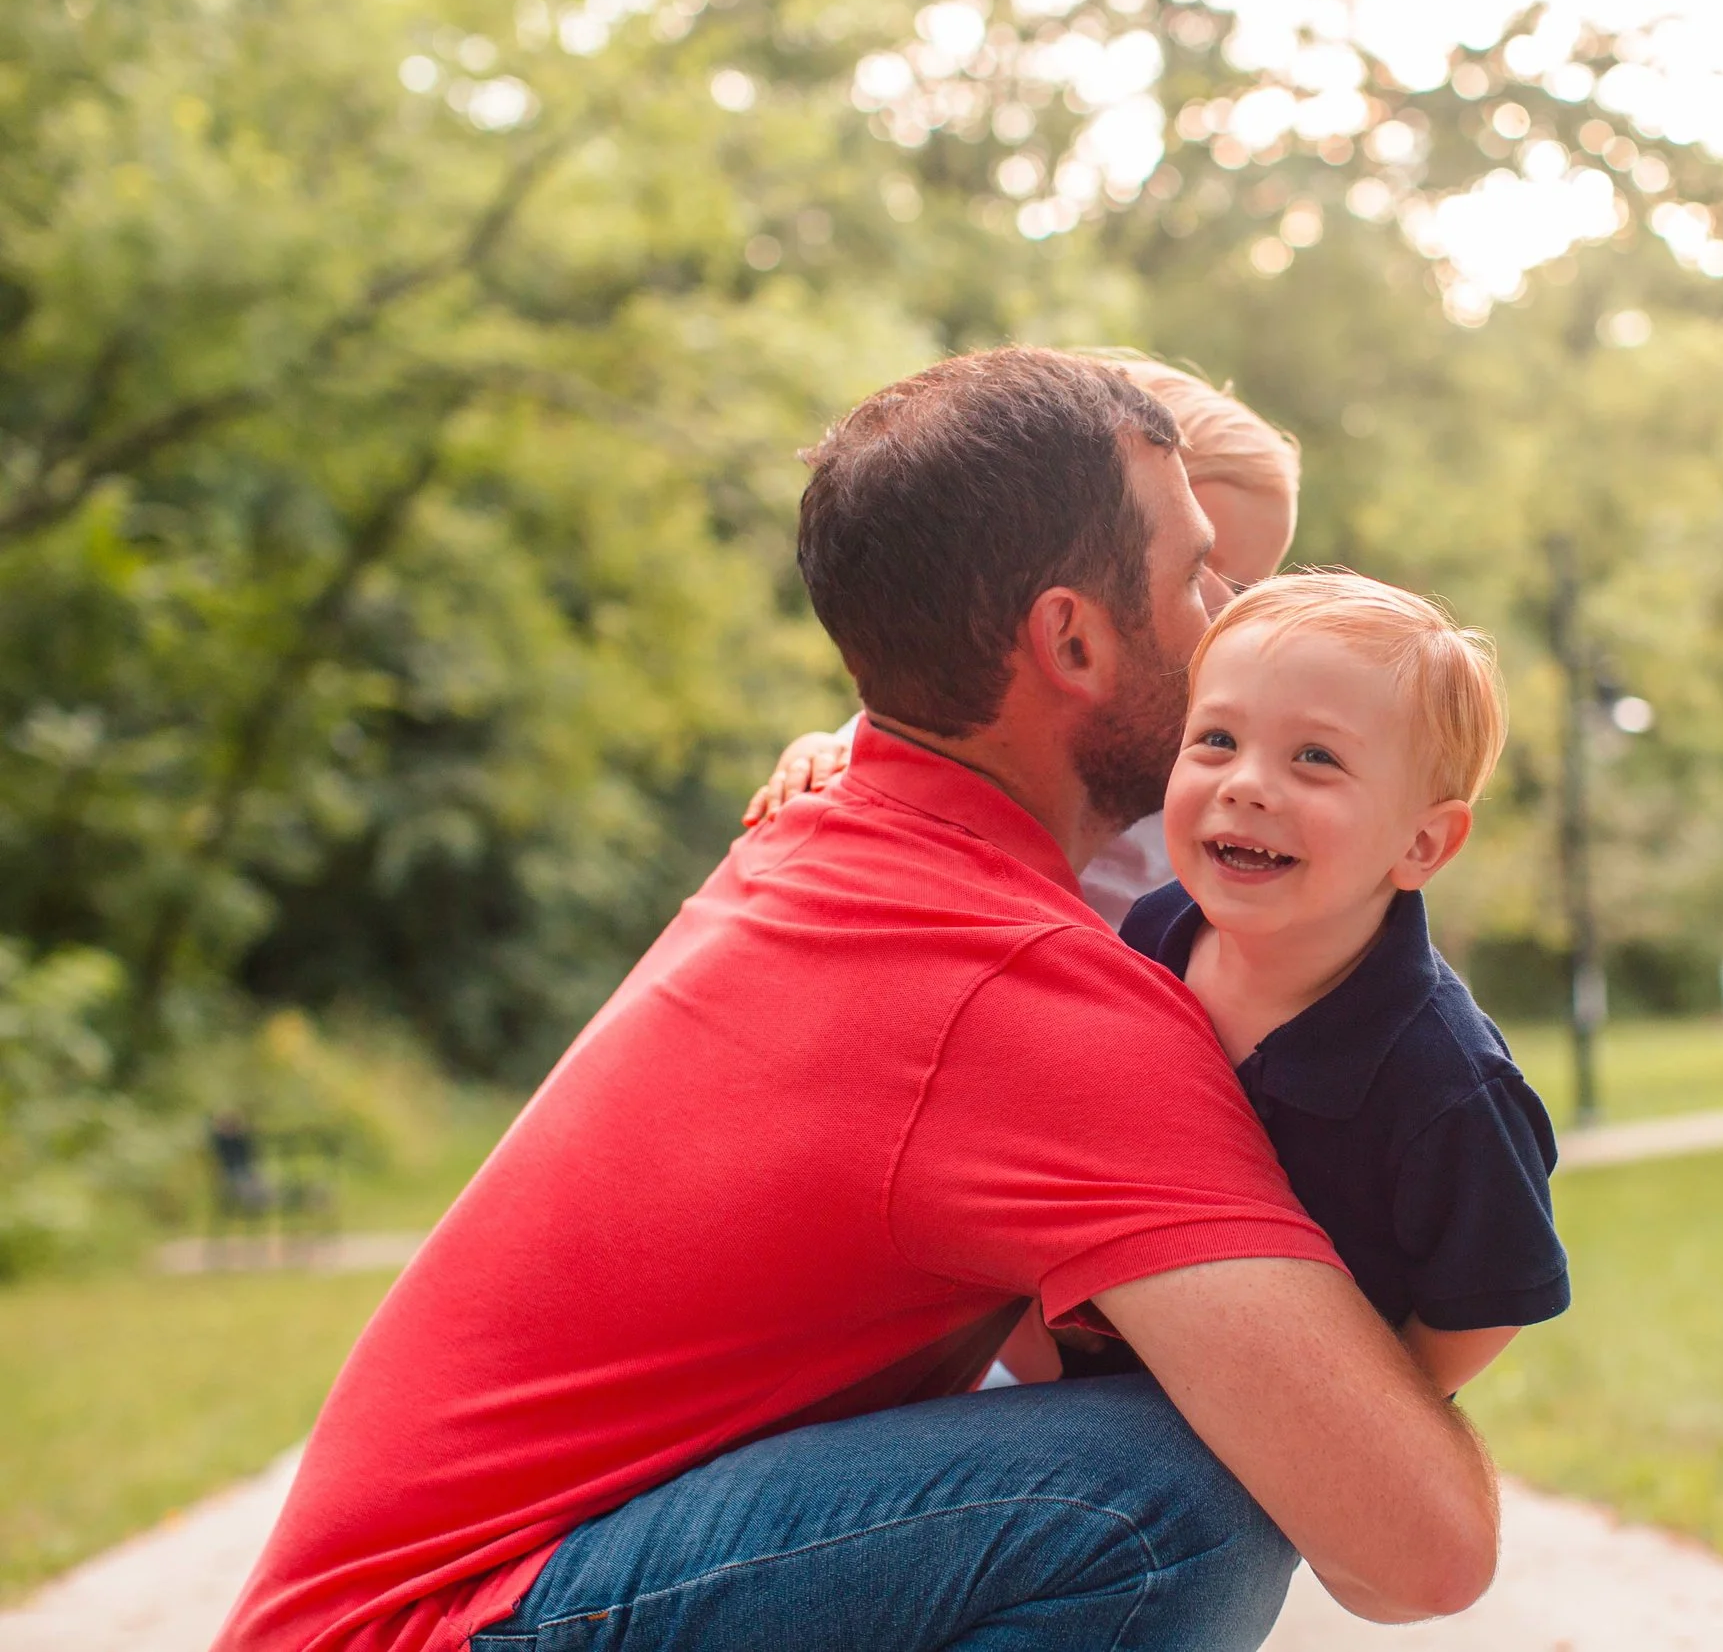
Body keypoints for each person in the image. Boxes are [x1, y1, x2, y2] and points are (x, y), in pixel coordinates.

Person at [212, 349, 1495, 1652]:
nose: (1229, 617)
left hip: (429, 1602)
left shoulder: (825, 848)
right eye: (1195, 577)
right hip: (440, 1624)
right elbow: (1421, 1548)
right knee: (1170, 1491)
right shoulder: (1021, 990)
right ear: (1073, 640)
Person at [1121, 571, 1568, 1396]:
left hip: (1288, 1425)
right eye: (1216, 739)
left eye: (1315, 757)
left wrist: (1366, 1423)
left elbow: (1491, 1294)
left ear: (1424, 845)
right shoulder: (1152, 934)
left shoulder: (1446, 1080)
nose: (1245, 782)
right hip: (1121, 1366)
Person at [745, 356, 1300, 926]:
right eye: (1197, 568)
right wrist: (814, 753)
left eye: (1250, 589)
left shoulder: (1202, 739)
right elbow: (886, 748)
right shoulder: (971, 707)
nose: (1226, 613)